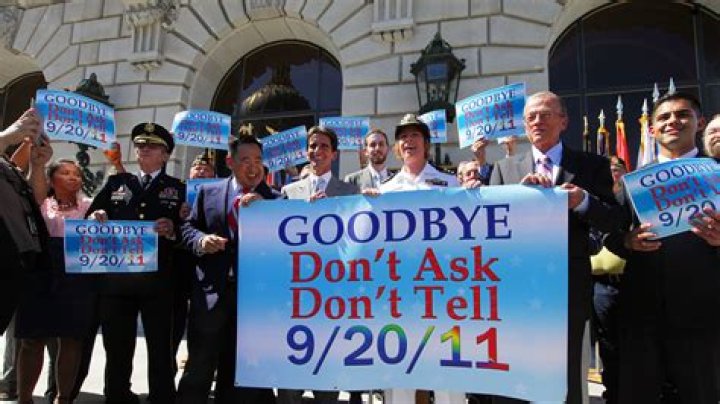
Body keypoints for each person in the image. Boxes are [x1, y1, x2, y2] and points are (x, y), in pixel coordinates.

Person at [489, 91, 619, 404]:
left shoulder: (592, 165)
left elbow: (615, 220)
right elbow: (490, 229)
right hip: (517, 290)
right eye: (531, 117)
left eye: (545, 114)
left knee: (566, 376)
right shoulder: (504, 169)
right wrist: (515, 203)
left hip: (568, 289)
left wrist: (583, 201)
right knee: (517, 374)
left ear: (563, 121)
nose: (537, 121)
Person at [604, 92, 720, 404]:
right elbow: (609, 234)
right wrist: (627, 241)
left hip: (703, 313)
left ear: (699, 123)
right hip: (642, 313)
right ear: (652, 129)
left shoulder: (717, 172)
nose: (673, 122)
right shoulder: (633, 182)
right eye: (664, 118)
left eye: (682, 115)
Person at [86, 122, 184, 404]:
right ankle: (117, 394)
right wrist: (97, 216)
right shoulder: (118, 183)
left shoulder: (177, 188)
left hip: (158, 281)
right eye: (140, 145)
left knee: (160, 346)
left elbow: (187, 228)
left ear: (165, 155)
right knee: (117, 344)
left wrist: (172, 229)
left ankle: (162, 396)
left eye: (151, 146)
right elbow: (93, 213)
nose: (143, 150)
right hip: (117, 281)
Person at [178, 134, 276, 404]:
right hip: (211, 297)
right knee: (199, 367)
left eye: (258, 160)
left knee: (239, 376)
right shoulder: (207, 193)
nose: (253, 167)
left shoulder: (277, 199)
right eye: (246, 160)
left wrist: (267, 211)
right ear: (230, 162)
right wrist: (201, 241)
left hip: (253, 302)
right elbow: (188, 228)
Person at [378, 114, 461, 404]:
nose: (408, 141)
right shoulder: (385, 190)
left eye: (414, 136)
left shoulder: (449, 183)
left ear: (426, 143)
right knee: (400, 371)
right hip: (401, 292)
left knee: (448, 371)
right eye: (403, 137)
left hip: (443, 292)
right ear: (397, 148)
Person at [277, 126, 358, 404]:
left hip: (332, 297)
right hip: (296, 297)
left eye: (324, 146)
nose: (317, 151)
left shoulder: (350, 191)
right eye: (312, 146)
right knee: (289, 385)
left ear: (334, 154)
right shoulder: (288, 192)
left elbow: (358, 239)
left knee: (327, 382)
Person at [14, 149, 96, 404]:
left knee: (71, 339)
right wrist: (37, 162)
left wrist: (99, 219)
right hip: (41, 272)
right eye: (65, 173)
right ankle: (25, 398)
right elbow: (34, 191)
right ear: (51, 179)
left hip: (75, 276)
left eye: (77, 174)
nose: (73, 177)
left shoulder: (90, 206)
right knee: (32, 339)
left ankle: (63, 398)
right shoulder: (41, 204)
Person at [0, 108, 45, 335]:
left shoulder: (5, 163)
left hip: (16, 257)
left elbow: (36, 200)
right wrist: (7, 136)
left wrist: (37, 165)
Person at [590, 155, 628, 404]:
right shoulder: (595, 203)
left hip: (633, 284)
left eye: (618, 168)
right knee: (608, 347)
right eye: (609, 169)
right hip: (601, 286)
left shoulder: (633, 200)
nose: (613, 172)